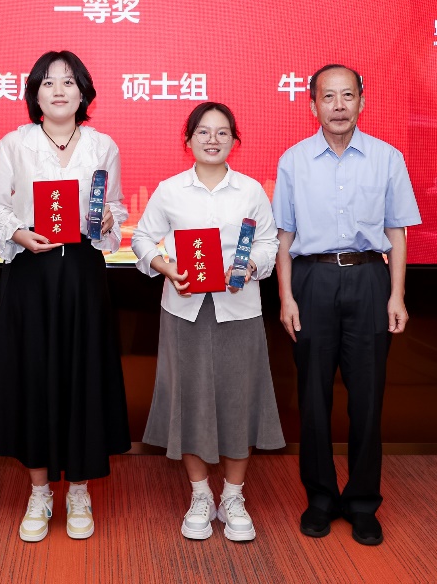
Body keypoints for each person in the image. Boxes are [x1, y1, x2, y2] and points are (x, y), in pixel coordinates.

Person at [0, 50, 131, 542]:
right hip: (32, 274)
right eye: (48, 83)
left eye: (69, 82)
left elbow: (114, 207)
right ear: (35, 94)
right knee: (34, 376)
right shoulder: (15, 144)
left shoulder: (103, 145)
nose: (59, 90)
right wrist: (17, 233)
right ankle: (40, 491)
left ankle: (80, 490)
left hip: (83, 274)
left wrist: (107, 221)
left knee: (84, 375)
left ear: (84, 92)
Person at [273, 64, 421, 547]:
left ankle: (362, 503)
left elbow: (397, 230)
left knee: (367, 399)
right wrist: (286, 297)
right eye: (328, 97)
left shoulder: (387, 158)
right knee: (313, 399)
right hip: (312, 281)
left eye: (347, 96)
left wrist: (396, 294)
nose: (338, 106)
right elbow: (284, 236)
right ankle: (319, 498)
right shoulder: (293, 161)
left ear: (362, 101)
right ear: (312, 104)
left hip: (369, 279)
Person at [131, 102, 284, 542]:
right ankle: (200, 495)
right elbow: (141, 238)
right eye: (203, 131)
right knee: (189, 400)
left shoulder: (251, 191)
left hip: (239, 310)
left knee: (240, 401)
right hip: (185, 311)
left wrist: (250, 266)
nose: (212, 139)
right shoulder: (170, 190)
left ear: (234, 140)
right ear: (188, 140)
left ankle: (233, 496)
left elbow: (269, 243)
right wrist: (165, 267)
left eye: (222, 132)